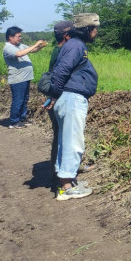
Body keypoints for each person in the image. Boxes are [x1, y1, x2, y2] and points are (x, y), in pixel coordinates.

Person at [48, 13, 100, 201]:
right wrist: (54, 95)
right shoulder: (76, 45)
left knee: (66, 141)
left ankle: (68, 181)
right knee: (73, 143)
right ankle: (66, 188)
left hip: (70, 98)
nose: (96, 32)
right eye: (94, 28)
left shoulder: (74, 45)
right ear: (87, 29)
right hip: (71, 99)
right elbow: (60, 72)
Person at [43, 20, 73, 191]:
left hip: (59, 97)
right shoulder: (62, 52)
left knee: (65, 136)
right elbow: (57, 78)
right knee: (61, 136)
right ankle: (58, 174)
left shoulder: (61, 50)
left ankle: (68, 168)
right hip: (59, 98)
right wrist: (53, 98)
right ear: (66, 35)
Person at [3, 26, 48, 128]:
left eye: (20, 36)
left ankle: (22, 119)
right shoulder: (8, 48)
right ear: (10, 37)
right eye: (18, 36)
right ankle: (14, 121)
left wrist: (40, 46)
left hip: (25, 78)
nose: (20, 38)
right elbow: (19, 54)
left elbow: (31, 50)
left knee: (24, 100)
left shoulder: (20, 45)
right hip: (17, 79)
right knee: (18, 100)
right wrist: (35, 45)